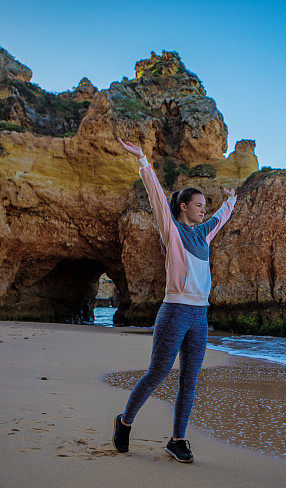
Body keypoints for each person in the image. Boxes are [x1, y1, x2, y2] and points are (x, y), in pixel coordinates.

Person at [113, 138, 237, 463]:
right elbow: (156, 197)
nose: (203, 209)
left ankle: (177, 440)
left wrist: (231, 203)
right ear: (183, 207)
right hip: (175, 312)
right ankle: (124, 422)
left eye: (205, 206)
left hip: (200, 317)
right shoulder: (171, 230)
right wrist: (143, 161)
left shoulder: (203, 233)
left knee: (189, 379)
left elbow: (220, 219)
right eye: (199, 205)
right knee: (158, 372)